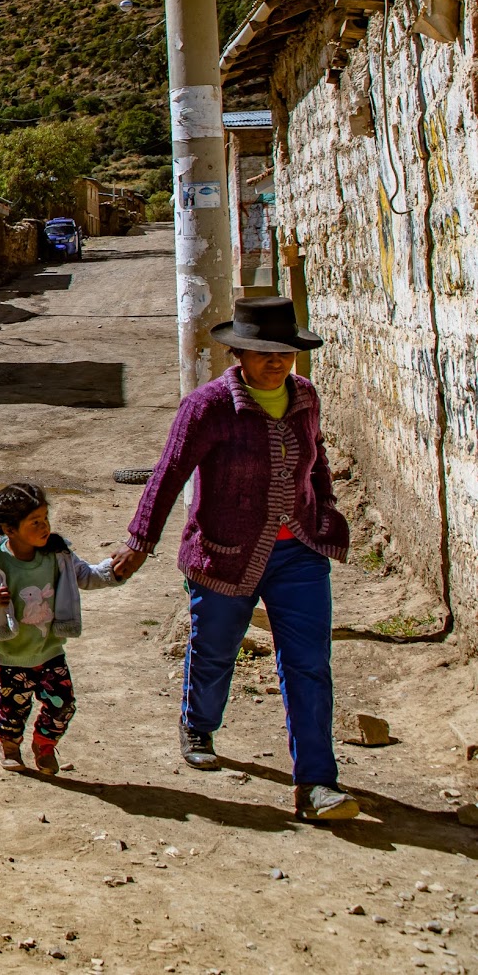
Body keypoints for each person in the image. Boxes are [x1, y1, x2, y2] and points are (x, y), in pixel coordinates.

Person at [111, 296, 359, 822]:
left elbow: (317, 463)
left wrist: (326, 508)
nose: (277, 362)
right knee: (216, 650)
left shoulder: (305, 398)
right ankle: (198, 723)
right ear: (237, 354)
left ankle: (316, 783)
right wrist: (140, 542)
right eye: (263, 352)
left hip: (300, 555)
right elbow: (169, 472)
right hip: (224, 552)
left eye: (285, 352)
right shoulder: (207, 407)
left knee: (309, 664)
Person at [0, 481, 126, 774]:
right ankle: (10, 745)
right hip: (11, 652)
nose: (44, 527)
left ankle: (44, 745)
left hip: (50, 649)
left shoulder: (58, 554)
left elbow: (87, 576)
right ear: (10, 529)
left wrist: (112, 571)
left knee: (63, 704)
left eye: (45, 519)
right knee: (14, 710)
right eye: (34, 522)